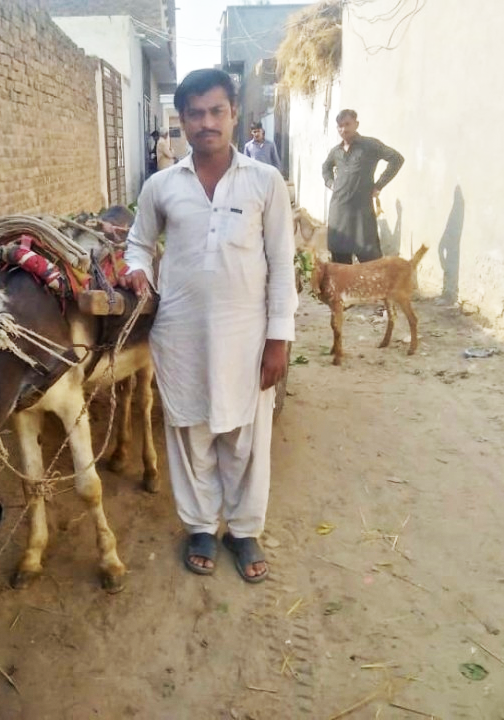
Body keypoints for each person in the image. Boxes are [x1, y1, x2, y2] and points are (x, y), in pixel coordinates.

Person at [121, 69, 297, 583]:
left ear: (234, 114)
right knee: (191, 430)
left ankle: (243, 531)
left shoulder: (265, 182)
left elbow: (283, 264)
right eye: (194, 113)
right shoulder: (160, 186)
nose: (206, 122)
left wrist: (279, 339)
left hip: (247, 333)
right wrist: (136, 271)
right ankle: (199, 526)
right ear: (181, 121)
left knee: (245, 436)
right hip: (180, 333)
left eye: (216, 111)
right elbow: (138, 243)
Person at [322, 109, 404, 264]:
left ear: (356, 124)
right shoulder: (336, 151)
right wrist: (330, 182)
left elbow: (396, 159)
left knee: (372, 264)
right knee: (340, 268)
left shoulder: (370, 145)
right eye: (340, 126)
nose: (343, 129)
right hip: (338, 214)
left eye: (347, 124)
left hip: (362, 214)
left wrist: (379, 185)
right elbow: (325, 167)